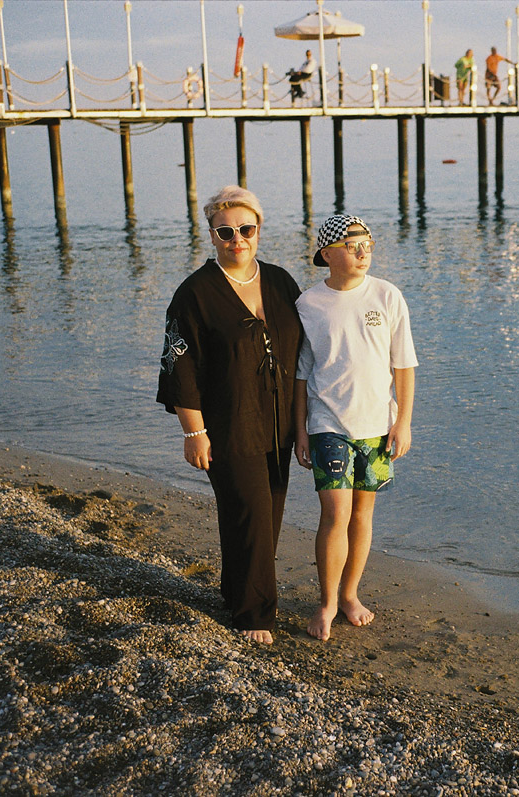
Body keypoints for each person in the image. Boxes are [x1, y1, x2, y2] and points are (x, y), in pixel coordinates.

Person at [157, 186, 303, 646]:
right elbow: (179, 366)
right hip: (227, 424)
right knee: (250, 514)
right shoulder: (194, 294)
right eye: (225, 232)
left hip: (278, 421)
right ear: (211, 235)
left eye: (246, 229)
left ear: (258, 230)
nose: (236, 239)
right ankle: (253, 614)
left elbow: (309, 351)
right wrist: (193, 432)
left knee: (267, 515)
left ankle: (234, 591)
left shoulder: (280, 282)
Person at [294, 214, 418, 642]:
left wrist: (403, 422)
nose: (363, 252)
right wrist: (300, 430)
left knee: (363, 515)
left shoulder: (387, 295)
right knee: (335, 513)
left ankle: (350, 595)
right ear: (327, 254)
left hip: (377, 425)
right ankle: (327, 602)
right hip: (327, 423)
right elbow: (300, 375)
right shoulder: (308, 304)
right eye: (352, 245)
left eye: (368, 244)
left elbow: (404, 365)